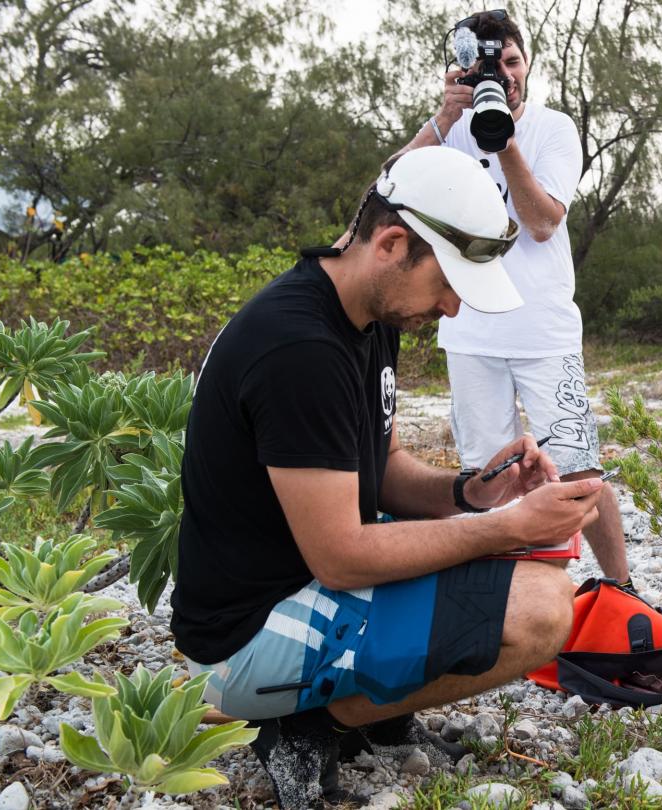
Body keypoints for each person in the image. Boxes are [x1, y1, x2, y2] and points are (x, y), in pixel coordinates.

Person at [170, 146, 606, 808]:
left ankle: (366, 715)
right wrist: (501, 528)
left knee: (531, 580)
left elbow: (382, 473)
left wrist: (472, 492)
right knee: (544, 610)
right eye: (447, 283)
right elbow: (342, 556)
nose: (453, 309)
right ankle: (301, 726)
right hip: (244, 639)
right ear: (393, 243)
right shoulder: (301, 350)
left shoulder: (368, 317)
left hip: (299, 587)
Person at [394, 10, 631, 585]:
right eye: (489, 65)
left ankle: (624, 587)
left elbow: (543, 222)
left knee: (579, 473)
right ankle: (504, 595)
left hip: (543, 332)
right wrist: (446, 118)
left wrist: (499, 136)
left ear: (526, 63)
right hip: (469, 333)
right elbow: (387, 196)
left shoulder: (555, 130)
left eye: (512, 62)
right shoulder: (446, 130)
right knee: (487, 476)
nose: (504, 74)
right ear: (463, 70)